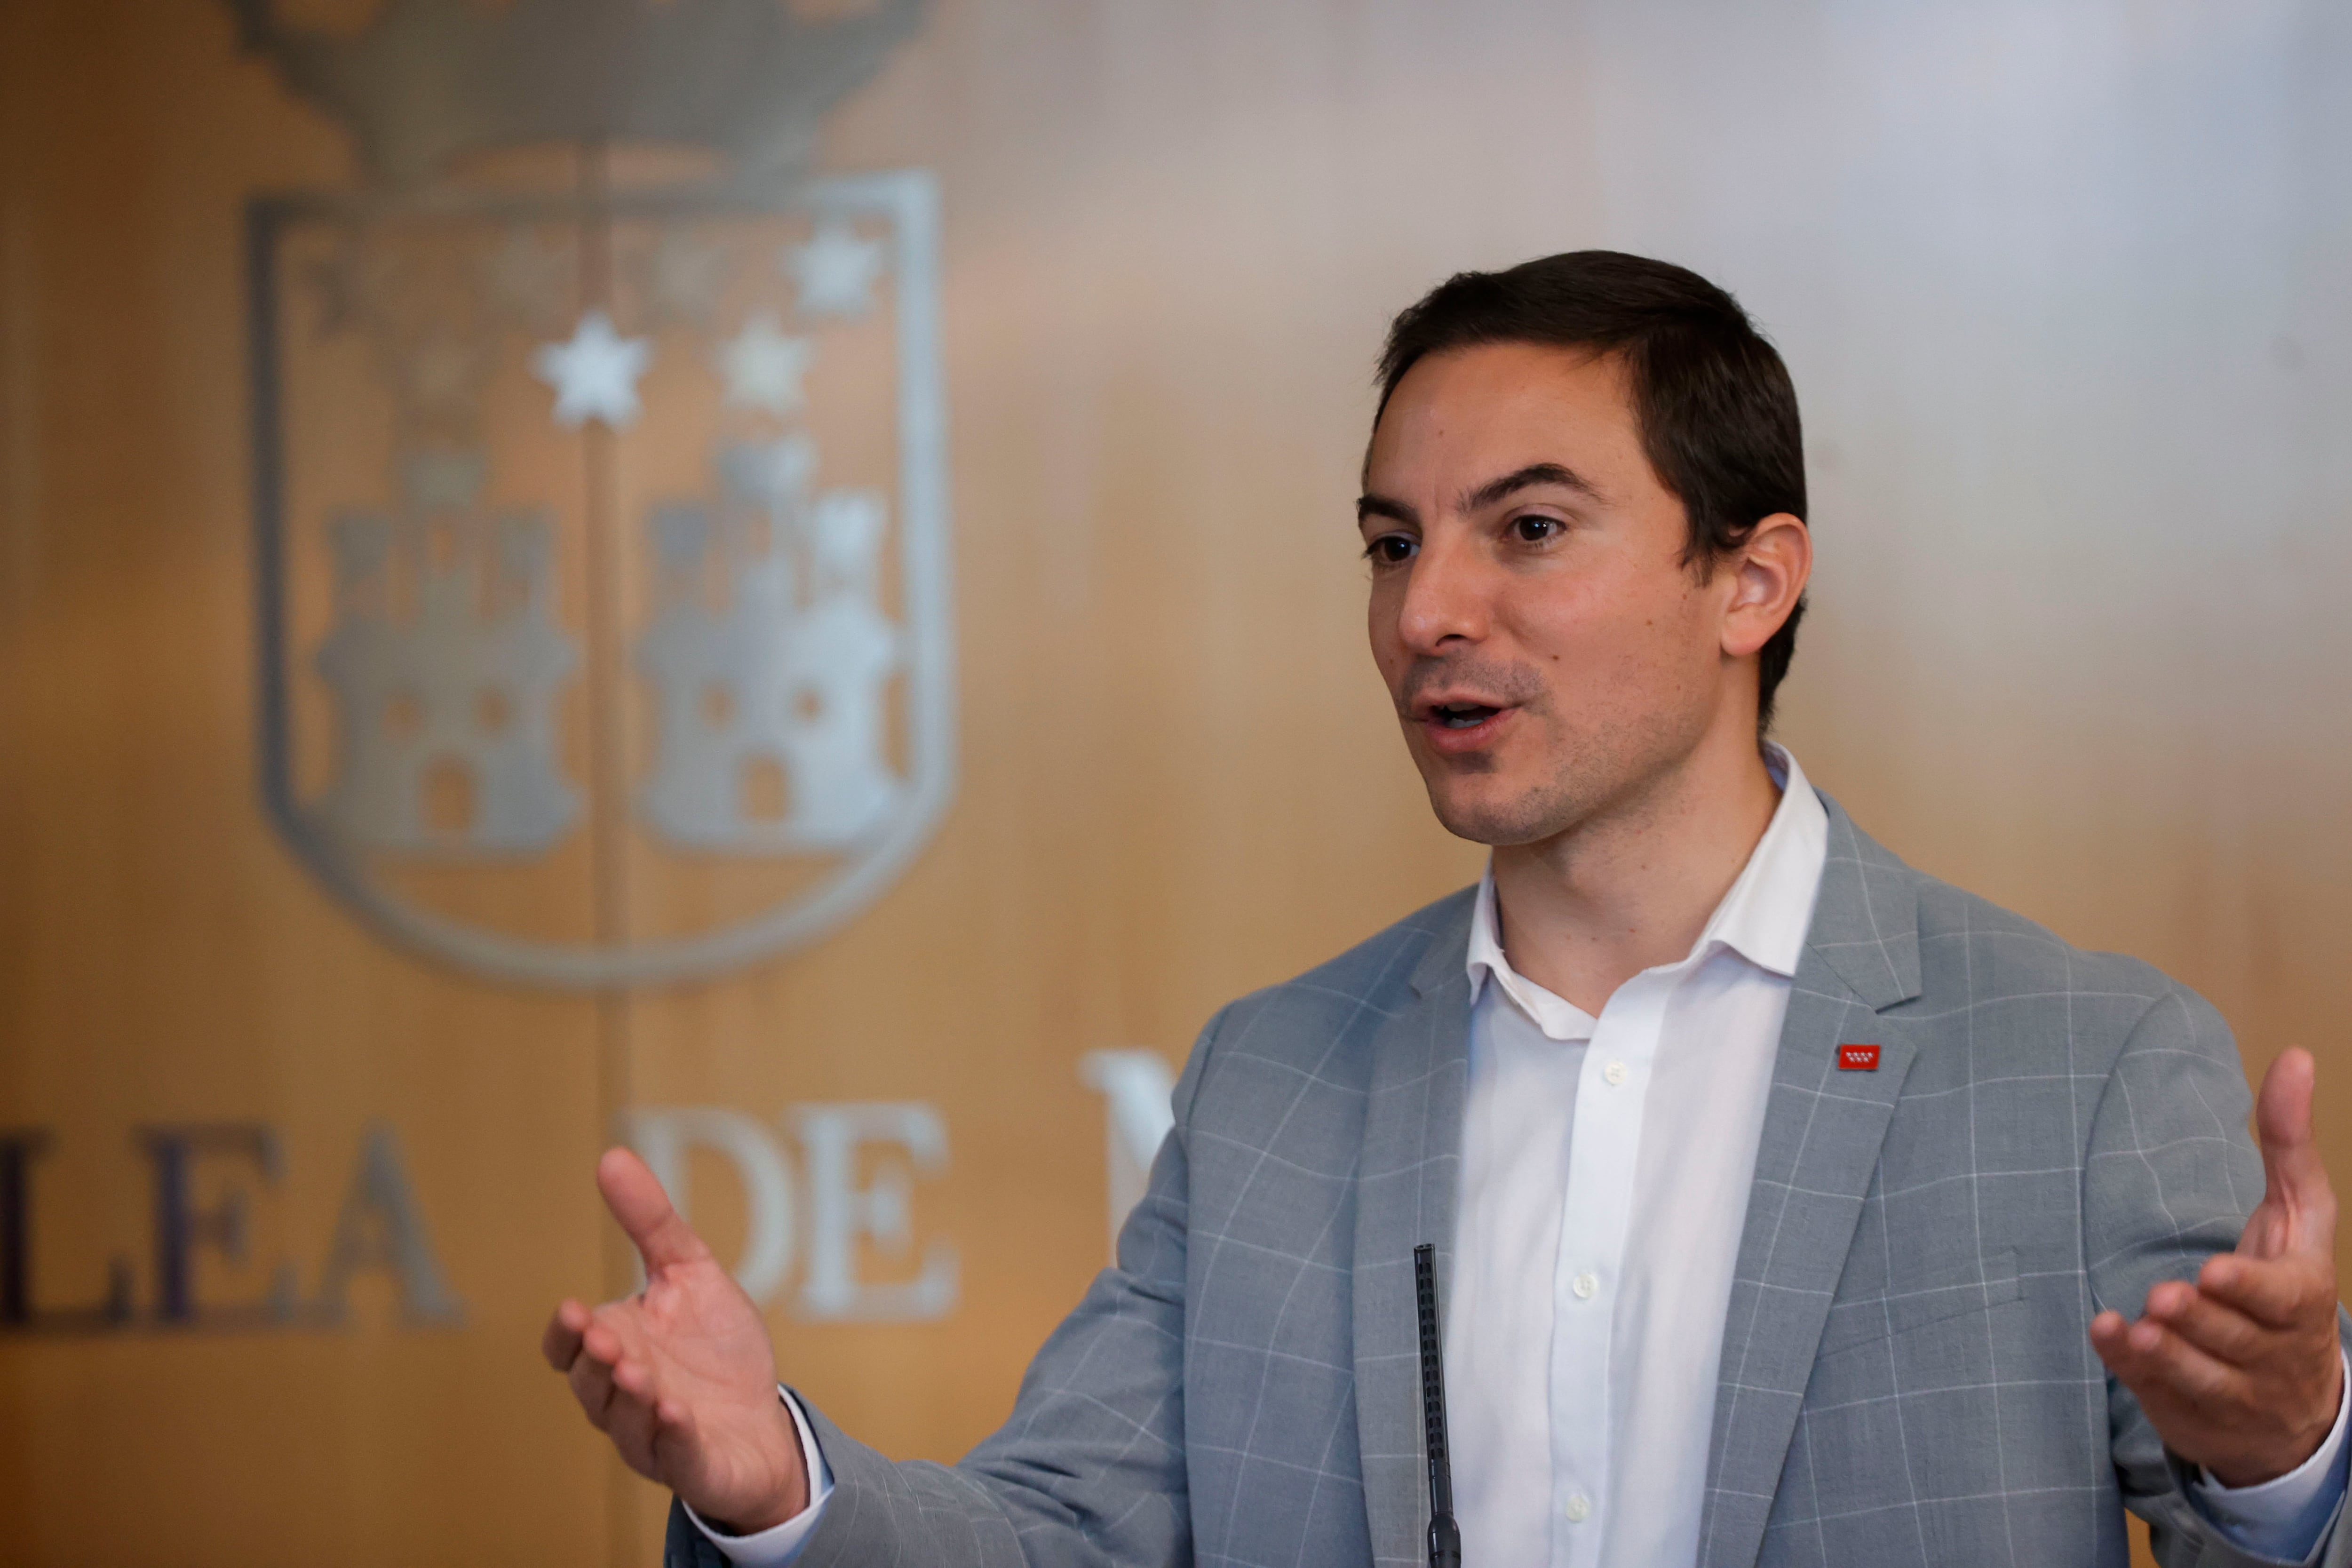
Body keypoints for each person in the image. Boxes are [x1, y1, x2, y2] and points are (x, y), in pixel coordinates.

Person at [545, 252, 2350, 1568]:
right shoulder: (1277, 1080)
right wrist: (776, 1486)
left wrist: (2291, 1460)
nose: (1427, 613)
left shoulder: (2078, 1063)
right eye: (1394, 542)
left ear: (1753, 581)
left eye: (1530, 530)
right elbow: (1065, 1543)